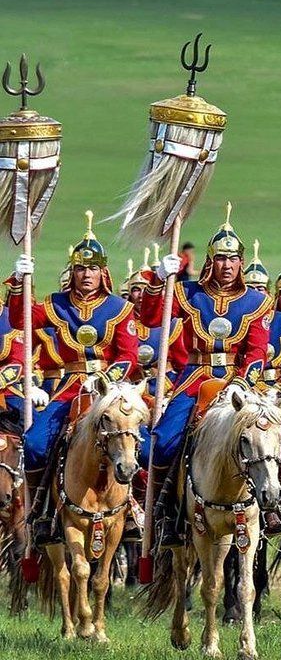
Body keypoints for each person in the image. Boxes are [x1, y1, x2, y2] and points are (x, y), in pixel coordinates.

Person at [143, 206, 281, 542]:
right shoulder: (187, 292)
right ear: (210, 261)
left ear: (241, 263)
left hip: (238, 382)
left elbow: (255, 350)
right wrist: (158, 280)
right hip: (195, 376)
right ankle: (167, 511)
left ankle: (275, 504)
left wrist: (241, 381)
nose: (227, 266)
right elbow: (152, 318)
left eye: (233, 259)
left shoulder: (258, 301)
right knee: (163, 441)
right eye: (220, 259)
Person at [7, 212, 140, 546]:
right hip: (68, 389)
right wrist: (18, 282)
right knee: (36, 444)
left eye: (93, 268)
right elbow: (18, 318)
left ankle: (136, 507)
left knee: (147, 444)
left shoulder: (119, 308)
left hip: (110, 391)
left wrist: (107, 381)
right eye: (81, 268)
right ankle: (40, 510)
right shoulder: (54, 304)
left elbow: (129, 355)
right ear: (72, 271)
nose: (86, 275)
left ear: (103, 272)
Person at [244, 241, 281, 387]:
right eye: (250, 288)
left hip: (277, 387)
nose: (255, 293)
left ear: (269, 294)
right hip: (244, 386)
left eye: (260, 288)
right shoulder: (235, 318)